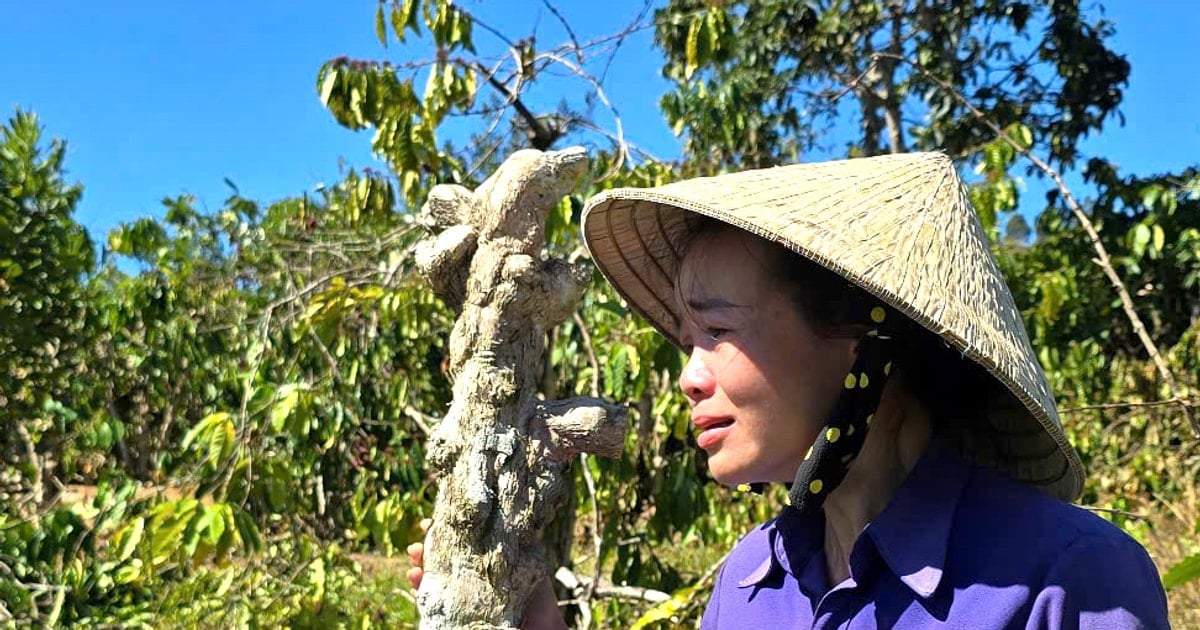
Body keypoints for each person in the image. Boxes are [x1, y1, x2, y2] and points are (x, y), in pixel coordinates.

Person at [410, 152, 1170, 628]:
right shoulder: (750, 582)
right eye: (686, 342)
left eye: (716, 331)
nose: (689, 376)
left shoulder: (1067, 581)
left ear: (860, 334)